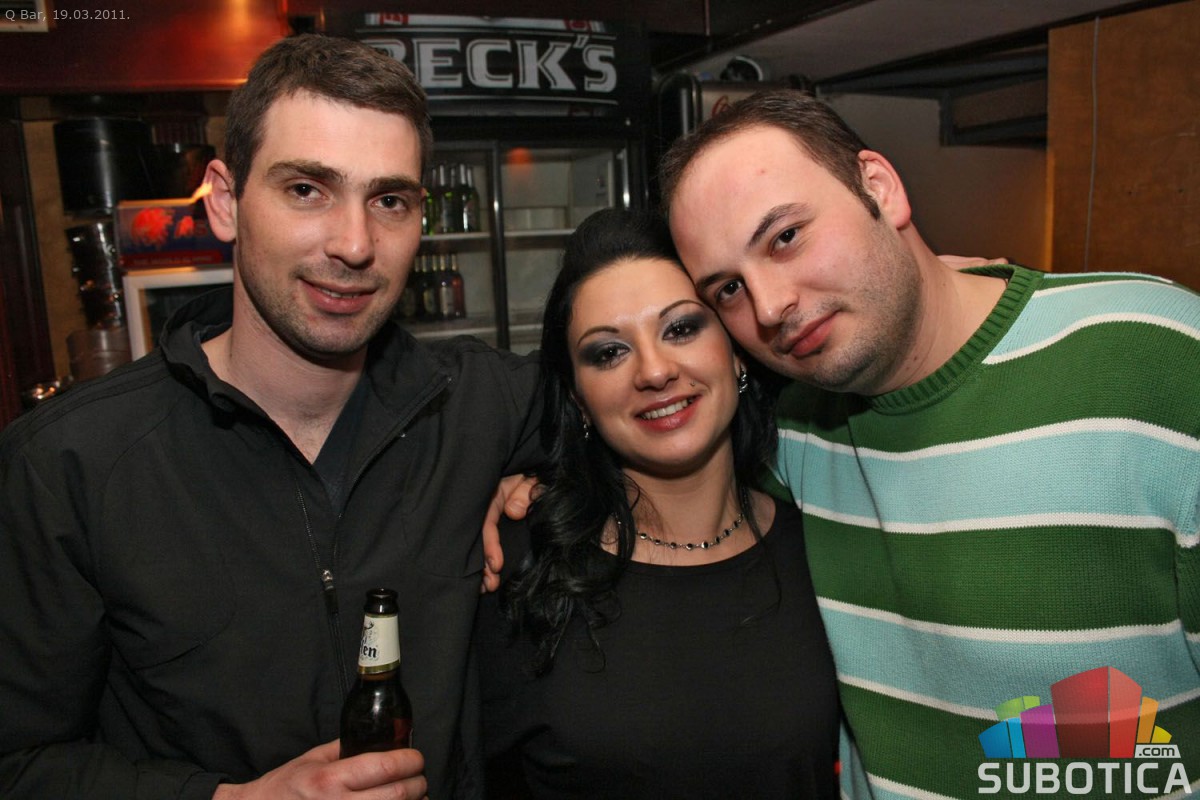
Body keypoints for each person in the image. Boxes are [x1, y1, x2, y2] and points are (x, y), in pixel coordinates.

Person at [0, 34, 543, 799]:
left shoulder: (480, 404)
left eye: (389, 200)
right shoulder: (69, 466)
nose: (355, 244)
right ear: (226, 201)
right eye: (307, 189)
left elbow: (662, 409)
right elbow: (18, 762)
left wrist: (545, 482)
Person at [656, 89, 1200, 798]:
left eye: (785, 237)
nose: (769, 306)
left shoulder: (1157, 360)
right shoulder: (792, 433)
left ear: (879, 188)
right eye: (728, 288)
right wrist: (530, 475)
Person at [474, 208, 839, 798]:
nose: (654, 371)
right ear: (580, 399)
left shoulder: (823, 546)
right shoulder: (519, 567)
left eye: (681, 329)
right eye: (608, 353)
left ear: (737, 351)